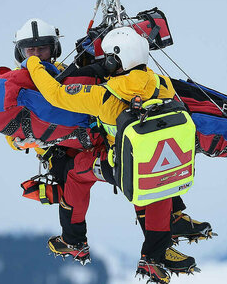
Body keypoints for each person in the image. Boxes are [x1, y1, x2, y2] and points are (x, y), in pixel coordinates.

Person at [26, 27, 202, 283]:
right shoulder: (161, 83)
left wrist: (34, 64)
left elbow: (54, 95)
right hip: (159, 165)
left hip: (115, 166)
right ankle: (155, 256)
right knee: (154, 188)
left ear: (113, 60)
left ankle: (73, 240)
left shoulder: (104, 95)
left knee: (74, 172)